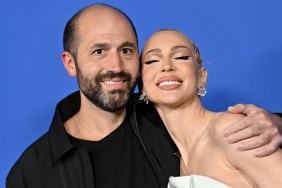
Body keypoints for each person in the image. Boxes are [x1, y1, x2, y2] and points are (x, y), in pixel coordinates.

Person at [6, 3, 282, 188]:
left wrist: (277, 123)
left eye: (126, 51)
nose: (115, 66)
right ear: (70, 63)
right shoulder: (31, 172)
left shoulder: (163, 117)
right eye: (99, 51)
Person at [139, 29, 282, 187]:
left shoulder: (229, 129)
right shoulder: (181, 165)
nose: (167, 66)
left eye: (181, 57)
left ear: (201, 77)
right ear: (142, 85)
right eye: (152, 60)